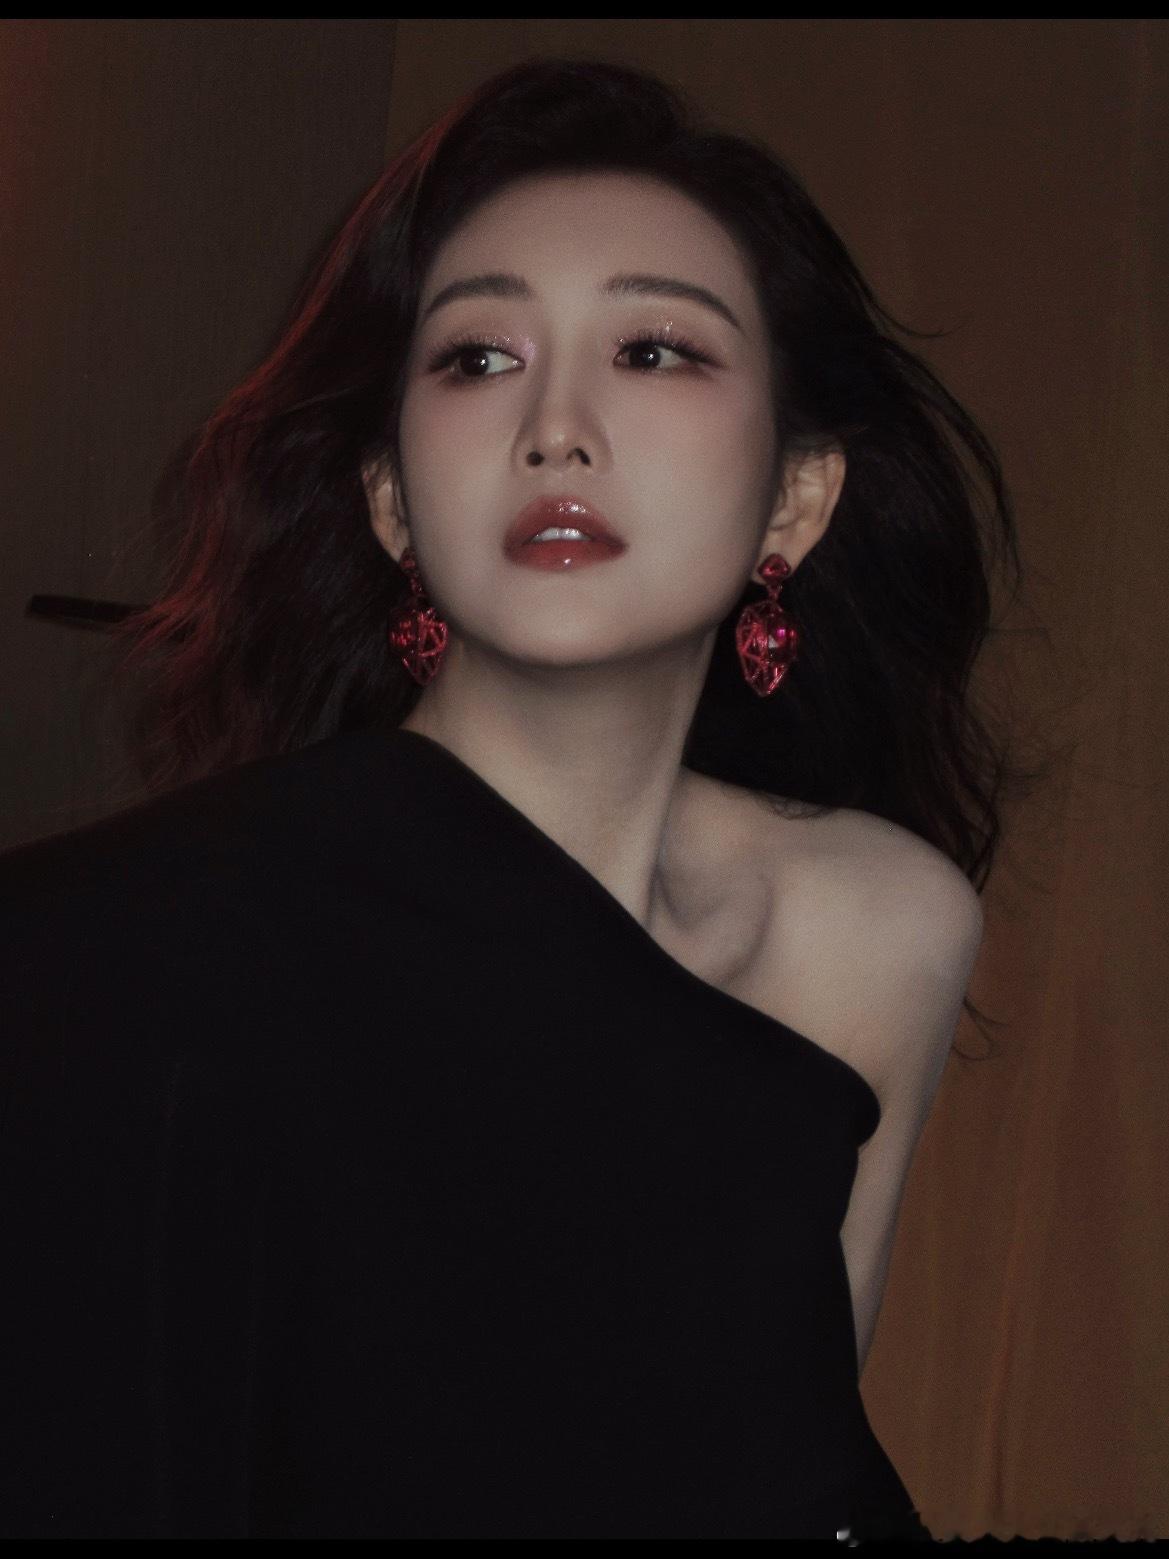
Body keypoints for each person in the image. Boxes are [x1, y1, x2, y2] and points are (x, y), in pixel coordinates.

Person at [0, 55, 1029, 1539]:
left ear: (796, 499)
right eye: (479, 358)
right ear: (391, 501)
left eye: (655, 350)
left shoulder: (877, 925)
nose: (556, 426)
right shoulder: (117, 956)